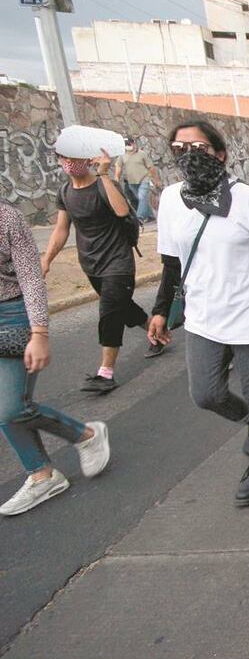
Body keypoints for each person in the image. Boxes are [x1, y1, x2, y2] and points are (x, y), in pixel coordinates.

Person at [147, 120, 249, 507]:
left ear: (220, 153)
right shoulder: (170, 199)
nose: (188, 154)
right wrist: (160, 311)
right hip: (202, 315)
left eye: (199, 147)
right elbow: (172, 262)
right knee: (205, 394)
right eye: (179, 147)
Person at [0, 202, 110, 516]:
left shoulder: (8, 218)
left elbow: (31, 278)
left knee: (11, 407)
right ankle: (41, 475)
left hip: (12, 316)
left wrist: (39, 333)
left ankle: (85, 435)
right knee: (5, 408)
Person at [40, 139, 161, 394]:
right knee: (122, 307)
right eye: (64, 158)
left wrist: (104, 174)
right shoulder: (64, 192)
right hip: (91, 264)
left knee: (108, 312)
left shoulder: (105, 185)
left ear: (88, 160)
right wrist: (46, 260)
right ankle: (155, 330)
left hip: (118, 261)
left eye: (74, 157)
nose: (69, 163)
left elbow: (120, 211)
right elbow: (61, 230)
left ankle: (105, 373)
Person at [114, 137, 161, 224]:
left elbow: (151, 167)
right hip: (131, 182)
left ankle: (139, 218)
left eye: (129, 143)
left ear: (133, 143)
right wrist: (116, 177)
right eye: (126, 144)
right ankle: (150, 217)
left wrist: (156, 179)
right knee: (141, 200)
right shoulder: (122, 156)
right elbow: (119, 167)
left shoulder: (142, 154)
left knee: (142, 197)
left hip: (144, 179)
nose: (128, 146)